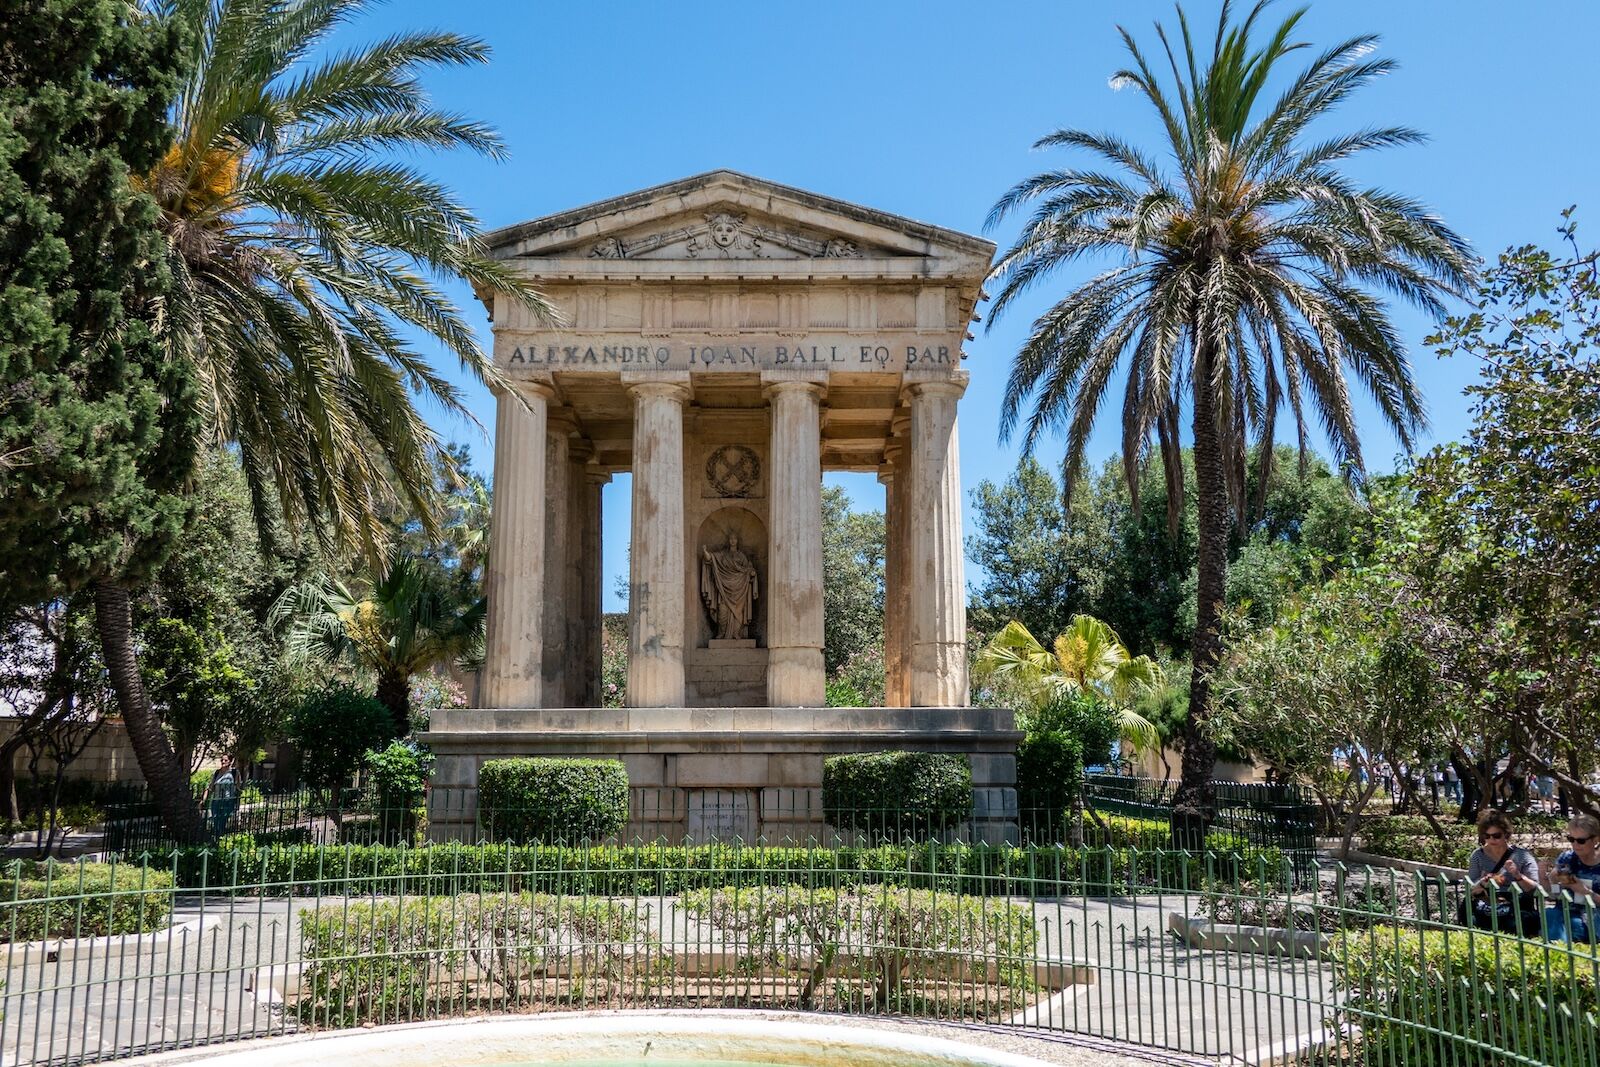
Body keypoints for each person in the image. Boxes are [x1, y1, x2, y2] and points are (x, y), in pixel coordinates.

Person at [1460, 810, 1542, 935]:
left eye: (1496, 835)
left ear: (1506, 834)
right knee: (1472, 920)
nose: (1491, 839)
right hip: (1486, 903)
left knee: (1518, 924)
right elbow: (1471, 888)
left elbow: (1535, 888)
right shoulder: (1478, 856)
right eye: (1487, 836)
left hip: (1514, 904)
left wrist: (1518, 876)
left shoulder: (1522, 856)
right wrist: (1482, 883)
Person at [1546, 814, 1600, 944]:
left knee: (1573, 924)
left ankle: (1560, 953)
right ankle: (1559, 953)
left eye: (1581, 840)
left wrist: (1586, 892)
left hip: (1592, 916)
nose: (1575, 845)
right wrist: (1551, 881)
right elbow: (1555, 894)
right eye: (1571, 839)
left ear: (1595, 840)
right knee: (1549, 914)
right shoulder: (1566, 858)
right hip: (1564, 911)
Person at [202, 756, 240, 838]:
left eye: (225, 760)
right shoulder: (216, 773)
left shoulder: (234, 773)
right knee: (216, 820)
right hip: (216, 800)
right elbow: (210, 787)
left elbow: (238, 787)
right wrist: (204, 799)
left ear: (230, 761)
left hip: (228, 801)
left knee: (223, 820)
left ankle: (221, 838)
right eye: (221, 760)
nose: (223, 761)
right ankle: (217, 838)